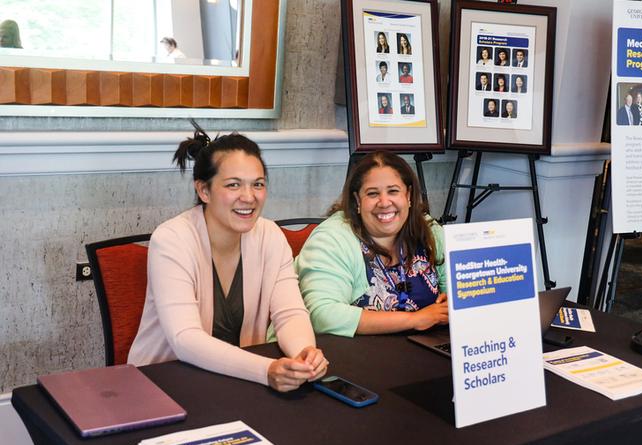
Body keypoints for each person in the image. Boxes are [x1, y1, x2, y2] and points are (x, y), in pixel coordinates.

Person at [127, 122, 327, 392]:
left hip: (237, 383)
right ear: (204, 191)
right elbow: (185, 338)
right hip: (164, 386)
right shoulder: (172, 239)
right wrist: (266, 370)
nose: (248, 197)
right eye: (233, 185)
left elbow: (290, 314)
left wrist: (305, 353)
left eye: (258, 184)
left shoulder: (270, 236)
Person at [295, 151, 448, 336]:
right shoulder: (331, 238)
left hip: (420, 349)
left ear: (408, 195)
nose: (384, 202)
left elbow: (462, 293)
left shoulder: (428, 229)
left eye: (393, 191)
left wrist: (454, 302)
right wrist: (415, 320)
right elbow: (323, 316)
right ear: (358, 200)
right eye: (373, 193)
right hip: (340, 353)